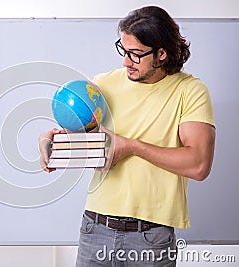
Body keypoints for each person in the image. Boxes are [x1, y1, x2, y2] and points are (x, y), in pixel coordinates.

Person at [39, 6, 215, 267]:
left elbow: (198, 164)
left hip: (151, 237)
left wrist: (132, 147)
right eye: (123, 50)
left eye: (135, 54)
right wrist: (54, 142)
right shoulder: (103, 84)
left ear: (162, 53)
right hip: (95, 228)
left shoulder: (190, 91)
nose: (125, 62)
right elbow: (90, 141)